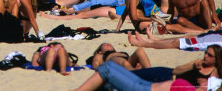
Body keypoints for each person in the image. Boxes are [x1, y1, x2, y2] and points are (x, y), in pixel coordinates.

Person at [73, 45, 222, 91]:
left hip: (148, 87)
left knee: (109, 69)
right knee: (110, 71)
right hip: (155, 80)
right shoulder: (198, 66)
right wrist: (192, 65)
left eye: (209, 55)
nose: (205, 57)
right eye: (205, 54)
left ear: (217, 60)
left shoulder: (213, 82)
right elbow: (176, 70)